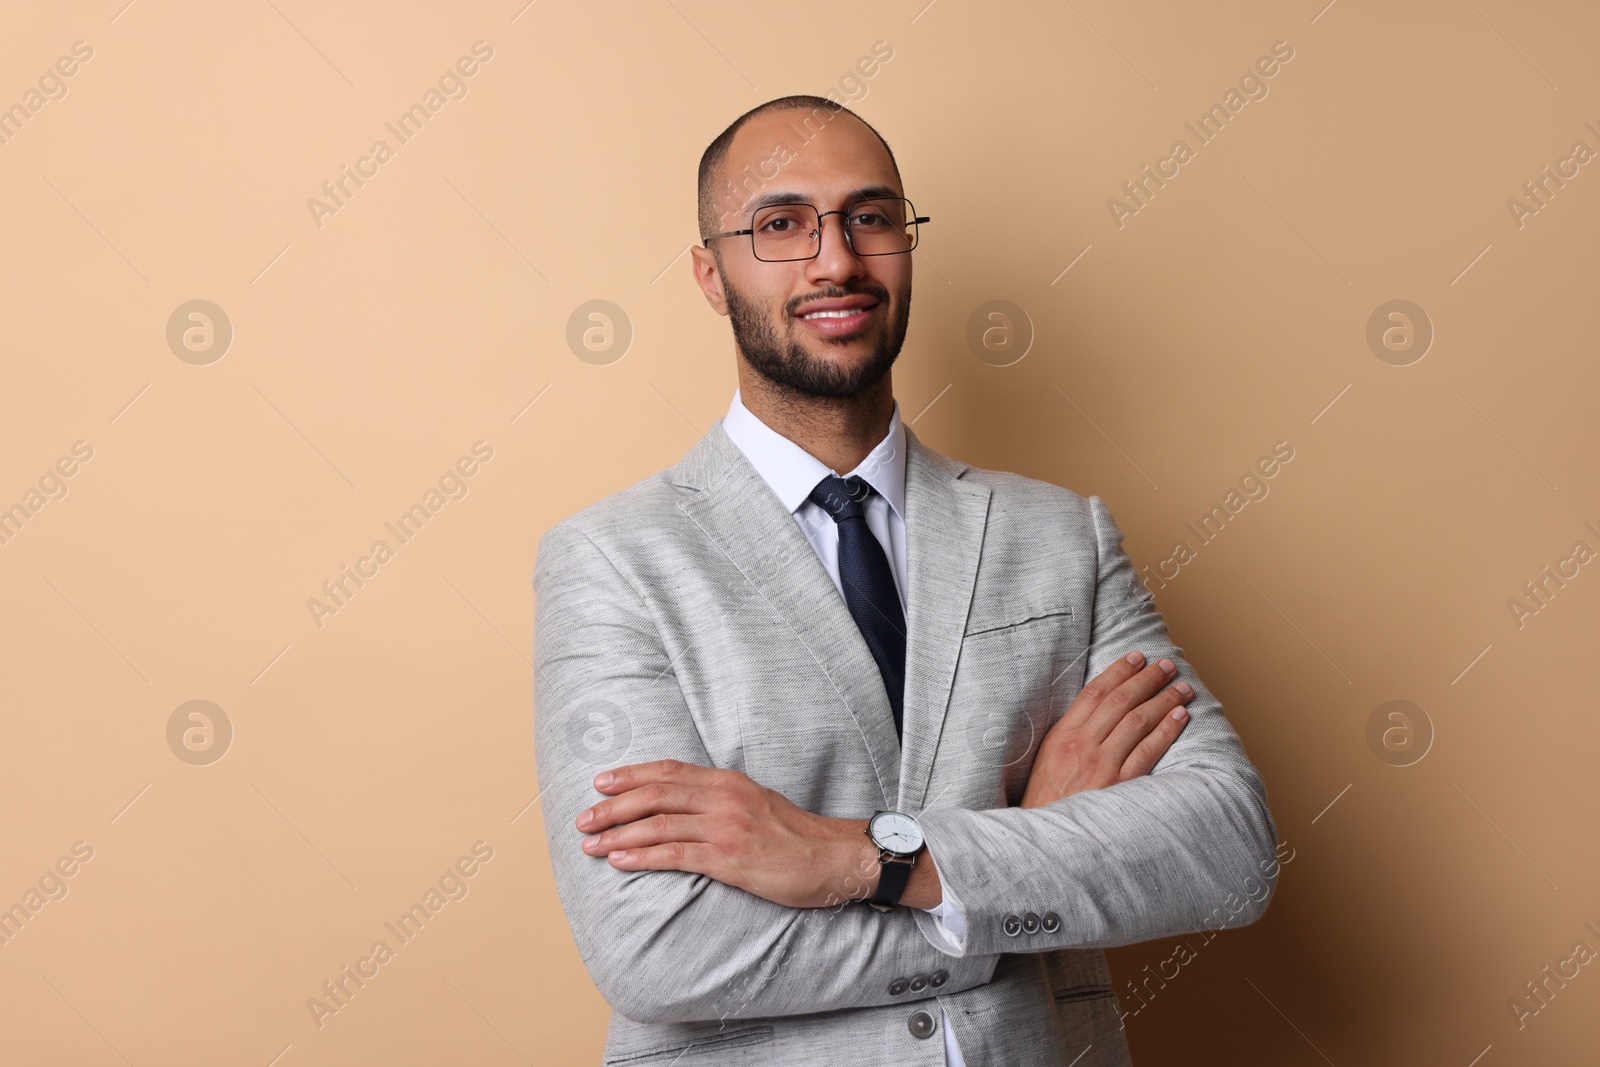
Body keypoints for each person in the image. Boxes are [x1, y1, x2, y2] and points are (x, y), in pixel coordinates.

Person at [533, 94, 1279, 1066]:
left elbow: (1229, 850)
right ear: (710, 275)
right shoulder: (612, 559)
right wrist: (1008, 873)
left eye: (870, 217)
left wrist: (860, 858)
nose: (835, 260)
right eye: (781, 224)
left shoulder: (1063, 535)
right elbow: (657, 948)